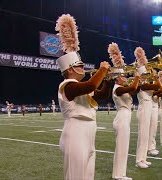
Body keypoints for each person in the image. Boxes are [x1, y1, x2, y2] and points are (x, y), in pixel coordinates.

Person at [56, 14, 111, 180]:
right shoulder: (68, 85)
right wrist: (102, 70)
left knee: (88, 176)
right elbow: (91, 86)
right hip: (76, 132)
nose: (83, 67)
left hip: (88, 132)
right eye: (79, 65)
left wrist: (107, 80)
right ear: (71, 69)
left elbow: (102, 95)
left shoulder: (80, 87)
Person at [108, 42, 140, 180]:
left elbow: (136, 89)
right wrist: (137, 76)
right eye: (123, 77)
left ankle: (120, 174)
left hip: (124, 118)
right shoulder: (118, 88)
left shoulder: (121, 87)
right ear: (117, 78)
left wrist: (140, 81)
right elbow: (132, 88)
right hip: (121, 118)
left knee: (123, 148)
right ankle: (118, 175)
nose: (125, 78)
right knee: (121, 148)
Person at [134, 47, 160, 168]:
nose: (147, 76)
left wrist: (153, 75)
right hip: (144, 106)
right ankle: (139, 160)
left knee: (147, 133)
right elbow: (157, 86)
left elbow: (158, 86)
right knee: (143, 134)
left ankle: (144, 158)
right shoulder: (141, 85)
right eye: (145, 75)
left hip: (148, 106)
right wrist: (154, 76)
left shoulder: (146, 84)